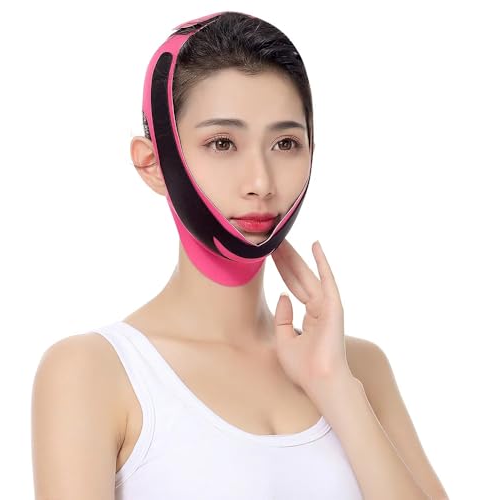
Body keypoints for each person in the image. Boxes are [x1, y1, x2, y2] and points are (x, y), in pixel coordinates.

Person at [31, 11, 449, 500]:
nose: (261, 183)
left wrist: (335, 385)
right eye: (222, 143)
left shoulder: (359, 366)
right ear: (152, 163)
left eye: (285, 143)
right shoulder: (92, 372)